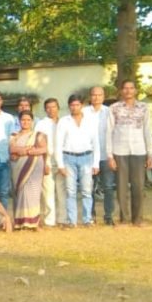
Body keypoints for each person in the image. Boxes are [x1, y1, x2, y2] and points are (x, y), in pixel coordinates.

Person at [56, 94, 101, 227]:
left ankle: (87, 219)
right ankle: (72, 221)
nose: (74, 107)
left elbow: (96, 143)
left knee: (87, 191)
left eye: (77, 105)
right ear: (69, 106)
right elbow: (58, 143)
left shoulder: (90, 121)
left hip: (87, 157)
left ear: (82, 105)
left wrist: (96, 163)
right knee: (71, 191)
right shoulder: (64, 121)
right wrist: (60, 164)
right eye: (72, 105)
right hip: (68, 158)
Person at [9, 110, 47, 230]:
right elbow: (12, 150)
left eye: (28, 120)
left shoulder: (38, 135)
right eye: (23, 120)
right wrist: (29, 149)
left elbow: (44, 149)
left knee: (33, 194)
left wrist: (26, 151)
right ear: (19, 121)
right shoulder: (14, 136)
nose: (25, 122)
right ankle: (20, 223)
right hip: (18, 168)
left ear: (32, 121)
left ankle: (34, 223)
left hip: (35, 168)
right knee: (20, 194)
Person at [84, 86, 116, 225]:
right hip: (89, 156)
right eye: (94, 95)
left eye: (99, 95)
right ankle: (90, 215)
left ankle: (108, 216)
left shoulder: (110, 112)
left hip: (106, 155)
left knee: (108, 187)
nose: (96, 97)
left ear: (104, 97)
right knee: (89, 188)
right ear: (90, 96)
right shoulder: (84, 112)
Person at [35, 98, 66, 228]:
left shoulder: (64, 122)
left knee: (62, 191)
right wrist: (44, 162)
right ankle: (49, 220)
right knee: (48, 192)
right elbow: (38, 143)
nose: (51, 109)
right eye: (48, 107)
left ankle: (62, 219)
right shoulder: (41, 124)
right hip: (47, 159)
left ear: (58, 108)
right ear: (45, 109)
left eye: (53, 107)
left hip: (63, 160)